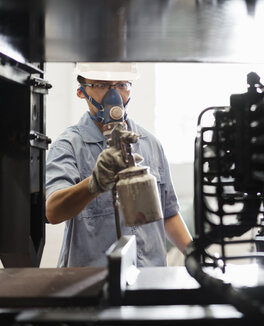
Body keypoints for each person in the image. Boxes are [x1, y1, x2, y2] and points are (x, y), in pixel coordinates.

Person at [45, 62, 192, 267]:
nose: (113, 96)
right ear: (81, 91)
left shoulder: (149, 143)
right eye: (101, 85)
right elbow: (53, 211)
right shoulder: (68, 146)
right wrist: (93, 184)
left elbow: (168, 214)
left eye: (122, 85)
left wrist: (194, 255)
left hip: (149, 278)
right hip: (92, 282)